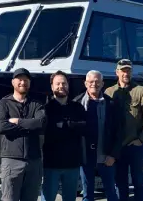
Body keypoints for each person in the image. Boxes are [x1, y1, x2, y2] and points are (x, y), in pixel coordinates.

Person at [104, 59, 143, 201]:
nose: (126, 73)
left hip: (134, 146)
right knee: (119, 183)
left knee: (139, 182)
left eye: (128, 70)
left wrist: (142, 139)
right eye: (123, 70)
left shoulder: (141, 91)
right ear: (117, 72)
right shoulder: (109, 92)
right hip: (116, 147)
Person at [0, 68, 47, 201]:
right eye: (19, 79)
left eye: (26, 80)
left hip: (34, 161)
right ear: (13, 82)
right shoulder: (3, 104)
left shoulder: (37, 104)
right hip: (11, 161)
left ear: (29, 83)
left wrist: (17, 121)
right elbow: (1, 127)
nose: (22, 82)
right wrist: (29, 126)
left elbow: (41, 124)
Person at [74, 70, 123, 201]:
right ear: (85, 83)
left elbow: (118, 131)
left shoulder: (111, 104)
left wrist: (113, 155)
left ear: (102, 84)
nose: (93, 84)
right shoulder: (76, 103)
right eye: (90, 82)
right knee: (87, 194)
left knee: (111, 193)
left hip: (106, 157)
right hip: (86, 158)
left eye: (97, 82)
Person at [41, 70, 87, 201]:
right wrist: (72, 125)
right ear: (52, 87)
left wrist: (66, 125)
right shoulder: (46, 108)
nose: (61, 86)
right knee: (48, 198)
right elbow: (45, 129)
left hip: (72, 163)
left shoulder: (77, 107)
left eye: (64, 83)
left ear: (68, 85)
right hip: (51, 164)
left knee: (70, 198)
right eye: (58, 84)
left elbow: (85, 127)